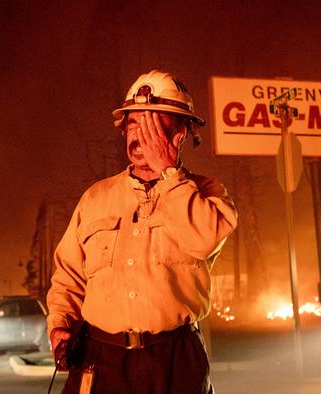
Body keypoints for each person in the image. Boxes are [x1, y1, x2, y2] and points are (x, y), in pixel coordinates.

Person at [46, 70, 238, 394]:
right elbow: (68, 278)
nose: (140, 135)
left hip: (174, 359)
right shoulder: (95, 198)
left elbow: (203, 239)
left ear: (180, 134)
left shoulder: (209, 193)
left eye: (155, 125)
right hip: (101, 358)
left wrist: (168, 173)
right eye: (133, 124)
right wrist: (60, 328)